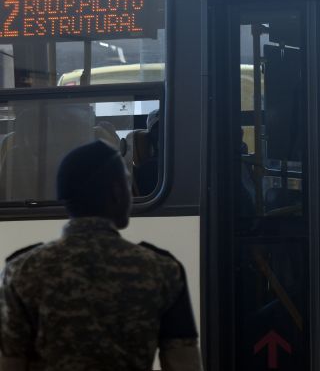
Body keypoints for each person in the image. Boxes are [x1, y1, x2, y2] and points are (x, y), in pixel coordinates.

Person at [0, 141, 201, 371]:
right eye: (127, 183)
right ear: (116, 193)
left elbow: (10, 363)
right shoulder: (164, 270)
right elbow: (184, 364)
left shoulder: (21, 271)